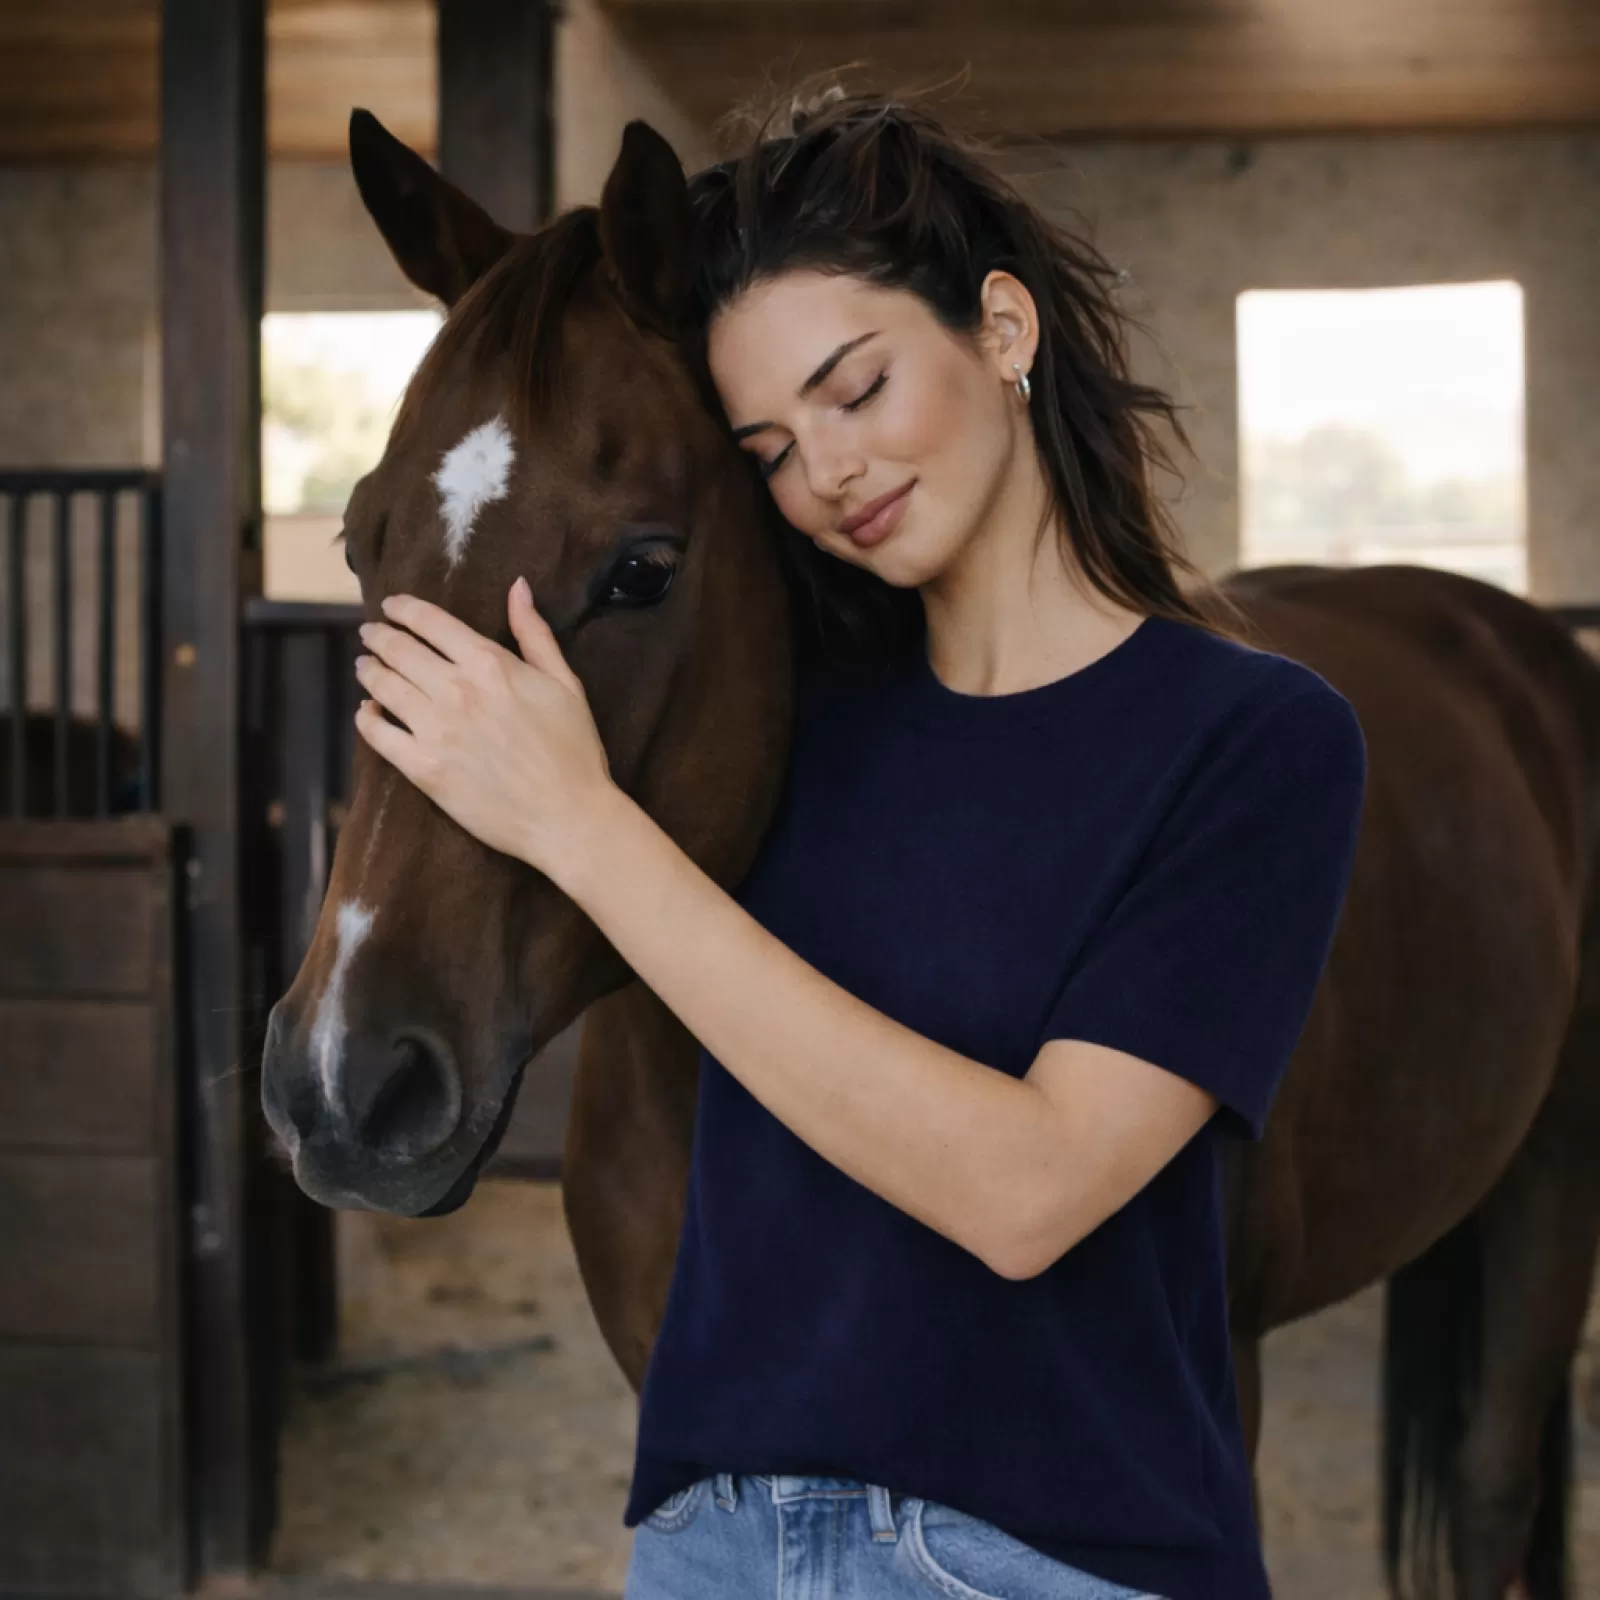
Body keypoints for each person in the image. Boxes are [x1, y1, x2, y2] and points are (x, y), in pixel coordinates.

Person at [351, 86, 1367, 1600]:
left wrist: (580, 825)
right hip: (713, 1546)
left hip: (1050, 1562)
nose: (823, 469)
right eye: (766, 442)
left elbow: (1031, 1195)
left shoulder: (1254, 743)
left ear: (1004, 330)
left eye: (856, 385)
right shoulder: (763, 731)